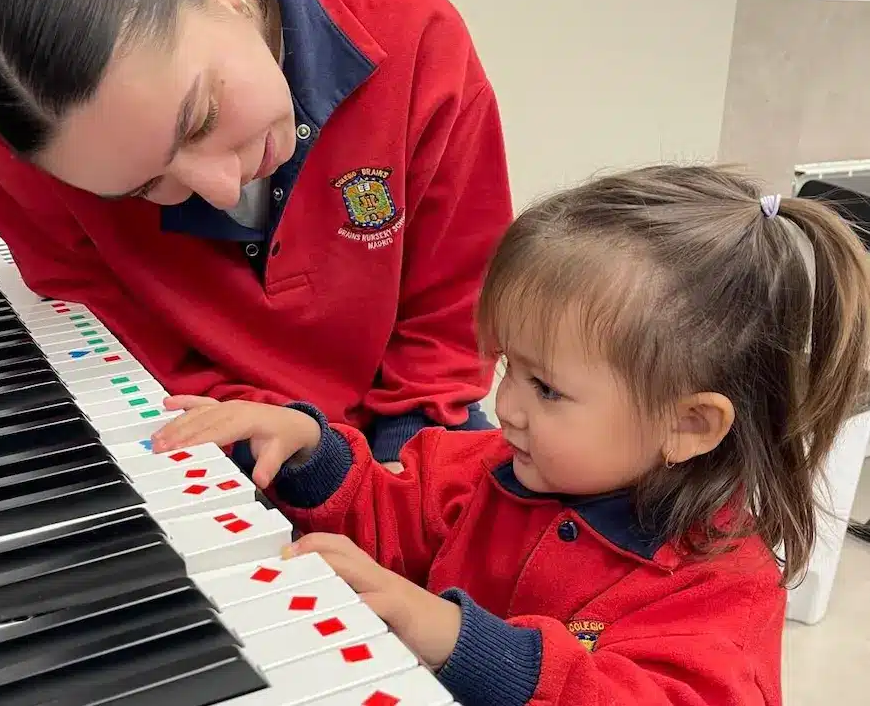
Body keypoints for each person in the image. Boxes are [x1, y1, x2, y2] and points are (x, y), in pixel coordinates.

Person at [154, 164, 870, 706]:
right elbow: (390, 513)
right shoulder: (488, 466)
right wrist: (311, 450)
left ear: (688, 423)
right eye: (509, 369)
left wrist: (459, 638)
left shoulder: (722, 588)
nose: (506, 406)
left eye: (547, 387)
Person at [0, 0, 512, 466]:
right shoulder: (14, 154)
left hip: (406, 431)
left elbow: (448, 327)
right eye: (143, 189)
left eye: (199, 118)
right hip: (220, 438)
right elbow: (131, 351)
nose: (222, 189)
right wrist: (293, 455)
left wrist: (395, 486)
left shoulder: (419, 38)